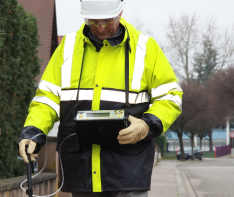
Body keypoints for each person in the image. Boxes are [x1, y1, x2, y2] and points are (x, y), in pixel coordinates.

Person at [18, 0, 182, 196]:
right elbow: (47, 98)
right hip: (81, 171)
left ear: (120, 13)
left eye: (107, 21)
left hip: (127, 171)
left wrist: (147, 125)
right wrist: (32, 132)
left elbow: (170, 96)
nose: (101, 28)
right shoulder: (68, 47)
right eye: (94, 22)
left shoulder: (145, 48)